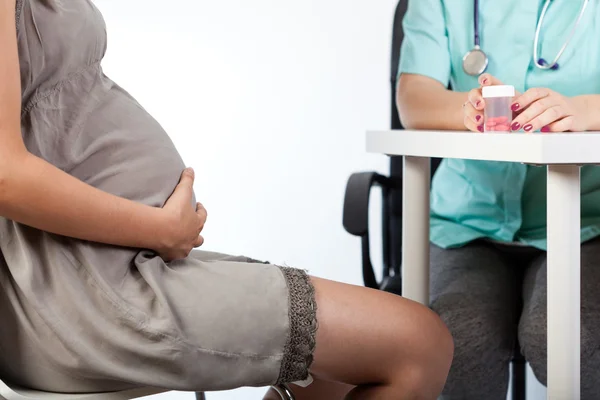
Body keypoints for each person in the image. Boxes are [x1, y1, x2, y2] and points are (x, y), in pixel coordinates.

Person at [0, 1, 454, 399]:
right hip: (79, 291)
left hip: (119, 263)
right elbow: (5, 176)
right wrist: (159, 228)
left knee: (336, 369)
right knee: (418, 345)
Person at [396, 0, 600, 398]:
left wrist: (581, 111)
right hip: (467, 223)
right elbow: (413, 97)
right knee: (455, 338)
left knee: (570, 337)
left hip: (585, 223)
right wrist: (467, 109)